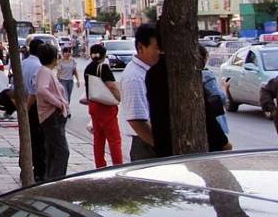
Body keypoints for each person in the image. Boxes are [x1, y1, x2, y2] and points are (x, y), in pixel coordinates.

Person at [147, 48, 231, 156]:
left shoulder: (154, 72)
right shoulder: (196, 75)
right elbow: (208, 110)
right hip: (203, 141)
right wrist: (223, 142)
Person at [119, 22, 160, 161]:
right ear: (141, 47)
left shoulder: (150, 71)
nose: (161, 52)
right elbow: (137, 121)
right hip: (146, 144)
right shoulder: (134, 77)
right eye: (157, 48)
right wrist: (161, 145)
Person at [83, 43, 123, 167]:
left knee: (98, 139)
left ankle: (100, 165)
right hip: (105, 107)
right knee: (114, 139)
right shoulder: (103, 68)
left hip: (93, 105)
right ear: (104, 55)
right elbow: (111, 85)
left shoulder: (88, 68)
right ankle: (117, 165)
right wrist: (118, 97)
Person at [35, 42, 71, 180]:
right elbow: (42, 90)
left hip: (53, 116)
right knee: (62, 151)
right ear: (54, 58)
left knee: (53, 150)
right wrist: (58, 104)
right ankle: (56, 180)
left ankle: (50, 179)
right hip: (51, 116)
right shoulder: (45, 71)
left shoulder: (46, 71)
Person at [20, 38, 47, 182]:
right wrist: (27, 108)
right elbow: (34, 92)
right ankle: (38, 171)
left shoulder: (22, 64)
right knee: (38, 141)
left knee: (27, 138)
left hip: (25, 105)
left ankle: (25, 168)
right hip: (34, 107)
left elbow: (15, 87)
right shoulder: (39, 67)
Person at [199, 44, 229, 138]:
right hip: (213, 122)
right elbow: (220, 98)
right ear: (204, 58)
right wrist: (224, 87)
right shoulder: (207, 76)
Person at [56, 45, 79, 111]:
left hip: (70, 81)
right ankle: (66, 110)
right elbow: (58, 72)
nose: (67, 53)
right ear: (63, 53)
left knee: (68, 96)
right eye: (66, 52)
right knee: (65, 96)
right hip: (62, 81)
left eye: (69, 52)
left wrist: (77, 80)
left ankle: (66, 108)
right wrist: (56, 81)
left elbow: (75, 71)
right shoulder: (60, 61)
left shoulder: (73, 61)